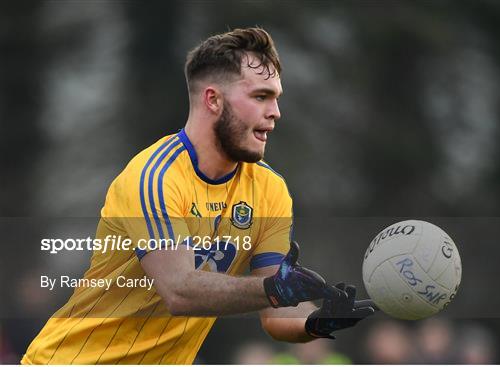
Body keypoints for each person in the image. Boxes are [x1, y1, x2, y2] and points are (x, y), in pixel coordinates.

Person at [22, 27, 376, 365]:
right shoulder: (154, 177)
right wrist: (275, 289)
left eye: (276, 98)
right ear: (213, 100)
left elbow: (277, 311)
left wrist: (315, 323)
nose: (275, 112)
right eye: (260, 96)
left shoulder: (270, 190)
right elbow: (180, 291)